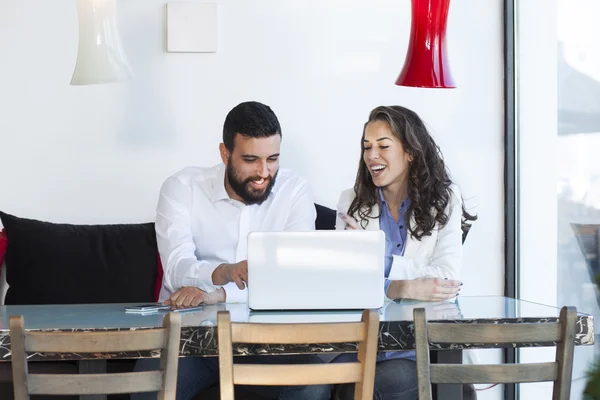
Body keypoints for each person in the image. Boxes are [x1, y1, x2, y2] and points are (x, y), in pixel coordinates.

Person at [132, 101, 331, 400]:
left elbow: (292, 278)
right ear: (225, 154)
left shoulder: (295, 191)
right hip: (192, 341)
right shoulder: (182, 187)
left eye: (273, 158)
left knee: (314, 386)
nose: (264, 172)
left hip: (272, 340)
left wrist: (218, 294)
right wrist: (223, 272)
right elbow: (176, 267)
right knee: (148, 387)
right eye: (251, 159)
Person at [335, 105, 477, 400]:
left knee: (370, 388)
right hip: (363, 343)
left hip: (419, 348)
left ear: (410, 151)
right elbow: (346, 284)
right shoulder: (350, 201)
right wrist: (404, 286)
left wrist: (380, 263)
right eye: (367, 147)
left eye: (383, 146)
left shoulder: (445, 198)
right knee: (319, 381)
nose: (372, 155)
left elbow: (447, 280)